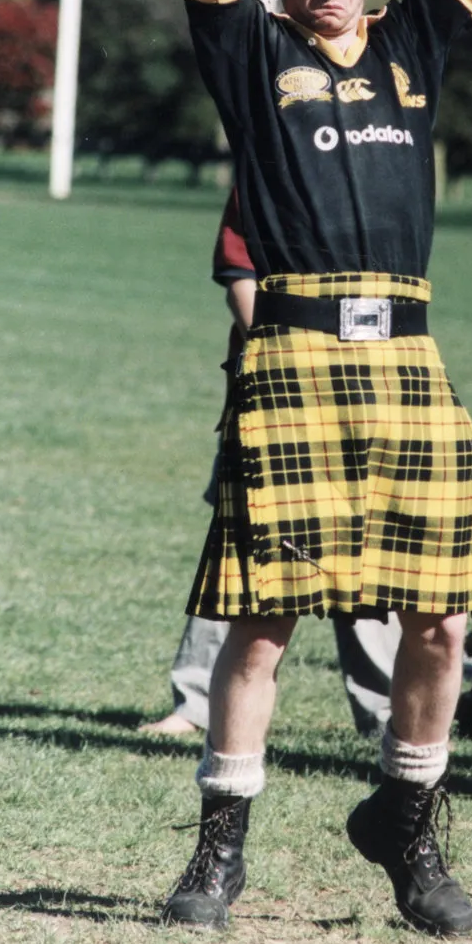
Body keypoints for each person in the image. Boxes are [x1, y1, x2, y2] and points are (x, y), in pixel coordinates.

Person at [161, 0, 472, 937]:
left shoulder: (411, 34)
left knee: (445, 613)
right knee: (261, 624)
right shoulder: (248, 50)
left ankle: (409, 833)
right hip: (295, 349)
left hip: (406, 354)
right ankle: (218, 855)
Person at [140, 193, 403, 740]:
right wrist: (289, 364)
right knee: (242, 547)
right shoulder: (268, 160)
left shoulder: (378, 160)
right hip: (276, 387)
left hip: (366, 388)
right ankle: (198, 704)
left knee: (363, 544)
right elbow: (240, 273)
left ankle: (389, 713)